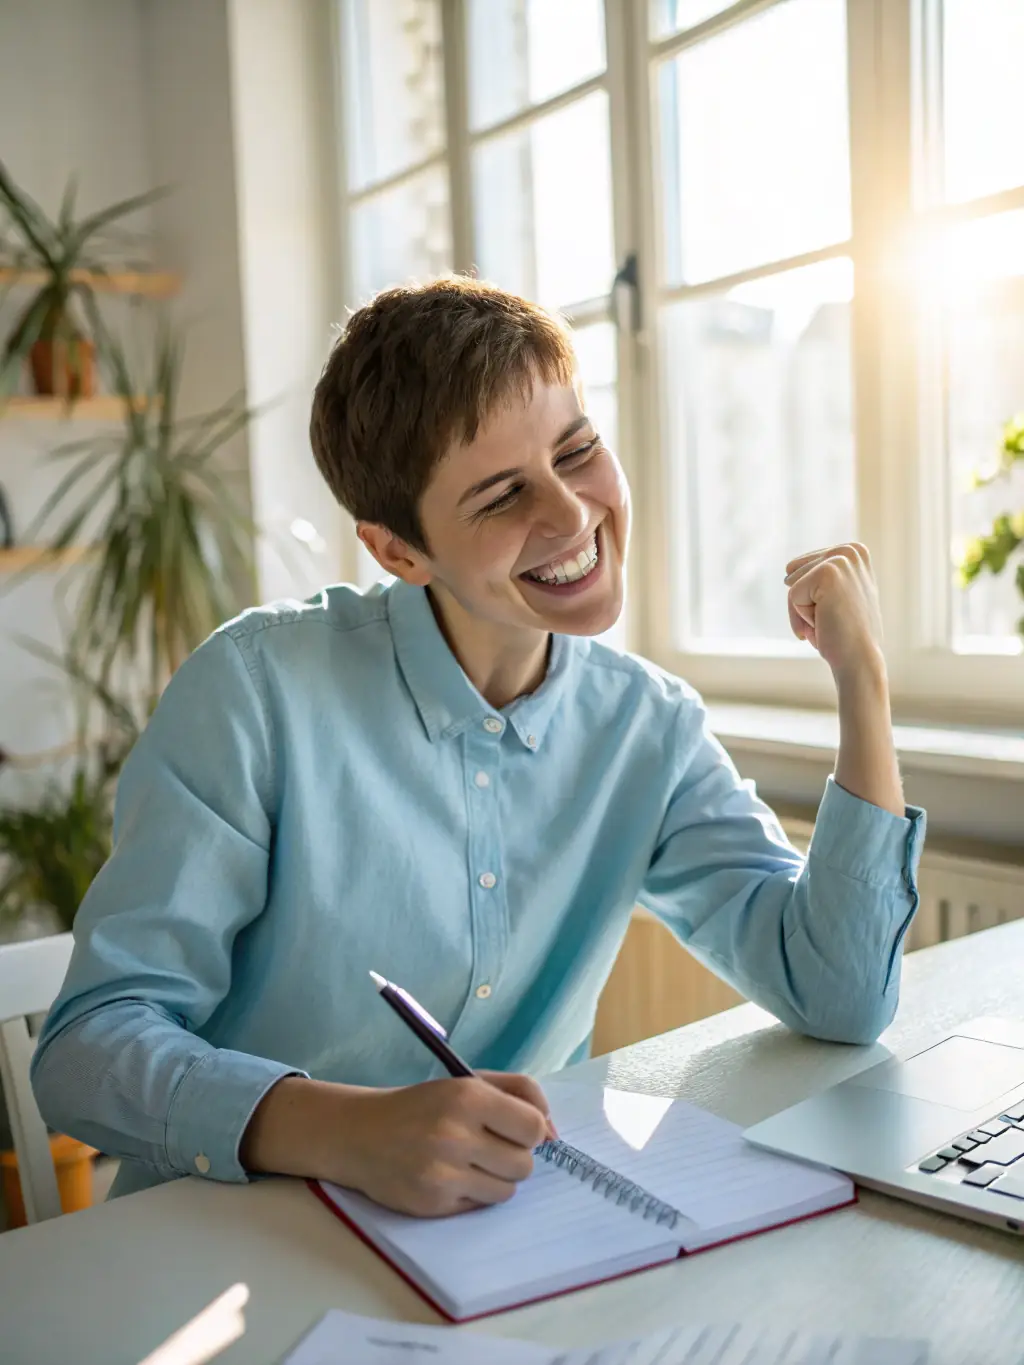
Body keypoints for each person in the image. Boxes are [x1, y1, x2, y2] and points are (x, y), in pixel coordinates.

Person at [32, 277, 925, 1218]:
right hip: (217, 1244)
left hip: (496, 1246)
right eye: (503, 496)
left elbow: (841, 996)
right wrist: (351, 1130)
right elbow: (89, 1048)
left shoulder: (646, 728)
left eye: (577, 450)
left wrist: (861, 678)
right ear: (398, 552)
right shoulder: (254, 693)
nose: (573, 516)